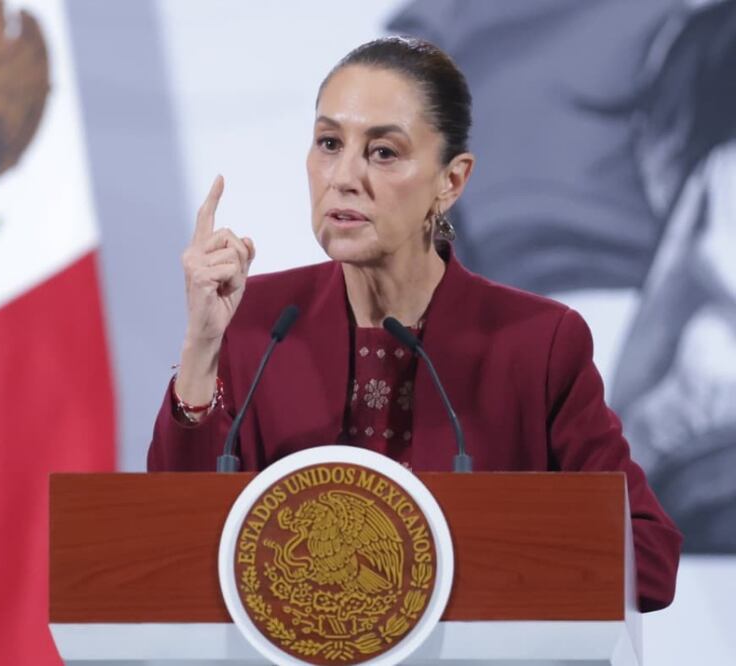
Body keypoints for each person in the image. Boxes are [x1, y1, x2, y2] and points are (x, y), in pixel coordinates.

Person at [146, 37, 681, 611]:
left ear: (450, 182)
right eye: (329, 143)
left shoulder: (536, 343)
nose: (344, 177)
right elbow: (171, 548)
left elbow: (648, 560)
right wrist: (202, 346)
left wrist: (455, 566)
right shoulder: (258, 323)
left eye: (383, 152)